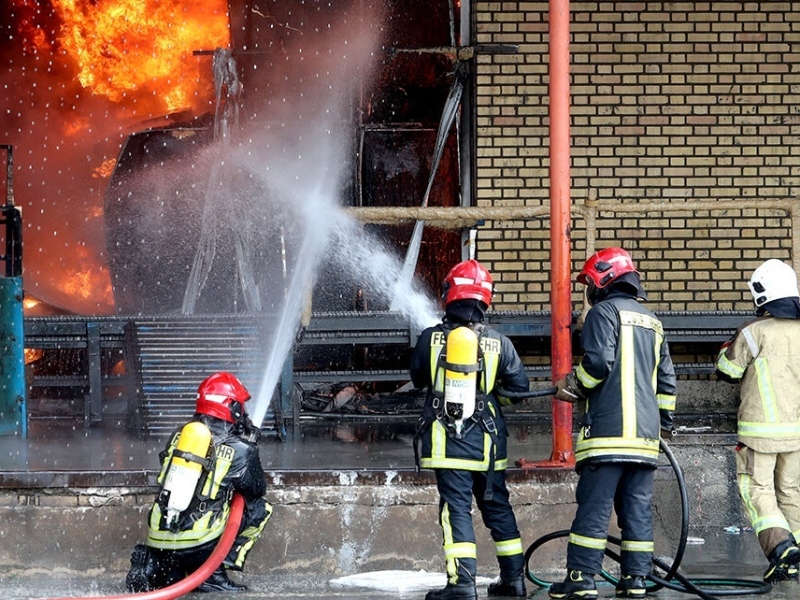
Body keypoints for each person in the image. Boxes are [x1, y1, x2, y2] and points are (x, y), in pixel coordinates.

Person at [549, 247, 677, 600]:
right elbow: (666, 382)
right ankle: (636, 579)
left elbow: (598, 364)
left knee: (595, 506)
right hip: (646, 440)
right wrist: (662, 423)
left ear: (604, 279)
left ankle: (581, 577)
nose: (589, 290)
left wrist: (571, 387)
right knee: (636, 508)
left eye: (590, 282)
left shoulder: (602, 313)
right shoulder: (653, 321)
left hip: (607, 436)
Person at [410, 259, 531, 600]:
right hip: (489, 448)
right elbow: (517, 392)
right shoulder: (499, 343)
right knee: (497, 509)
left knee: (456, 509)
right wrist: (491, 399)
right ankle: (514, 581)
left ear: (450, 293)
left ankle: (462, 585)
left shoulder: (430, 338)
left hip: (448, 444)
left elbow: (419, 379)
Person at [126, 371, 273, 593]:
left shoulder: (180, 436)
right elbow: (256, 488)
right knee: (259, 508)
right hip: (200, 543)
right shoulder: (241, 450)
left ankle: (154, 566)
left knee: (172, 572)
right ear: (233, 408)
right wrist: (251, 450)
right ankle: (213, 572)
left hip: (160, 536)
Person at [715, 258, 800, 584]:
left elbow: (728, 371)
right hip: (795, 432)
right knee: (790, 491)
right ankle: (796, 549)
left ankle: (780, 550)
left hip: (759, 432)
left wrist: (728, 347)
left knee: (757, 489)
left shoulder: (753, 332)